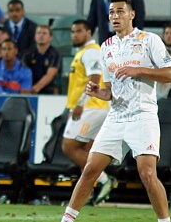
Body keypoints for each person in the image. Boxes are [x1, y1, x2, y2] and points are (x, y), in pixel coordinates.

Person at [59, 0, 171, 222]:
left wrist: (139, 70)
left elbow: (170, 73)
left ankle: (164, 221)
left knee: (147, 173)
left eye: (120, 11)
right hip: (117, 116)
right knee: (90, 169)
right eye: (111, 12)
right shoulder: (106, 47)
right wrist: (98, 93)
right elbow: (110, 92)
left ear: (132, 14)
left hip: (143, 115)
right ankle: (67, 220)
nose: (115, 16)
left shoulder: (149, 40)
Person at [61, 19, 112, 204]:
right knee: (85, 150)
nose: (74, 35)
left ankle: (105, 180)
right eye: (72, 31)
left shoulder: (91, 52)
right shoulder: (84, 52)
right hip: (93, 108)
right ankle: (91, 194)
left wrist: (81, 103)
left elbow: (95, 77)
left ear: (88, 32)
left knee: (69, 147)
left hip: (91, 108)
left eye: (79, 31)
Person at [21, 25, 61, 95]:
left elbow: (50, 74)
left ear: (50, 37)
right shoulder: (27, 54)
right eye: (38, 33)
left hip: (48, 90)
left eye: (44, 33)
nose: (41, 36)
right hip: (29, 88)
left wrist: (36, 88)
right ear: (35, 36)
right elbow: (24, 73)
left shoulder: (54, 54)